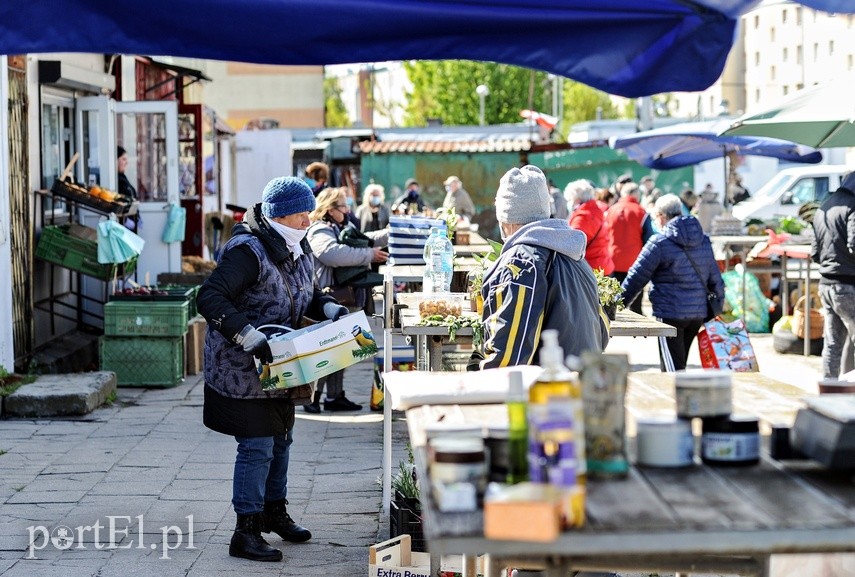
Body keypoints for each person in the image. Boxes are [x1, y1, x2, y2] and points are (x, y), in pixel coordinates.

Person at [196, 176, 347, 562]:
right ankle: (245, 531)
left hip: (281, 367)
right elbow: (210, 296)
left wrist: (328, 308)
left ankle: (273, 512)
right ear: (279, 215)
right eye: (300, 215)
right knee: (258, 446)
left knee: (282, 439)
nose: (306, 222)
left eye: (308, 214)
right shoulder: (248, 251)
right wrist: (246, 334)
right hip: (241, 367)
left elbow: (307, 292)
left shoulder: (296, 246)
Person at [477, 165, 609, 369]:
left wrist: (475, 370)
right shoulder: (576, 256)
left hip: (547, 390)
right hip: (583, 382)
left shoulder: (520, 262)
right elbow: (602, 329)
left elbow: (509, 356)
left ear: (505, 220)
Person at [306, 187, 389, 412]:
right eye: (343, 206)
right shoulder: (320, 230)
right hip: (331, 298)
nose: (347, 210)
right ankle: (313, 397)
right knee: (329, 351)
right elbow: (333, 254)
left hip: (347, 296)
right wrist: (369, 255)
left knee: (342, 351)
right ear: (330, 210)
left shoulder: (344, 226)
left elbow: (364, 239)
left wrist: (390, 233)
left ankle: (335, 396)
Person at [621, 195, 724, 371]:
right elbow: (715, 278)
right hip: (697, 313)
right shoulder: (703, 239)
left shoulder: (659, 242)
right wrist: (717, 307)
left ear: (661, 216)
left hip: (669, 314)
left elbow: (637, 277)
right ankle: (681, 396)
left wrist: (618, 304)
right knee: (679, 365)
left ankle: (676, 397)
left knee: (672, 371)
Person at [810, 171, 855, 379]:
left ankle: (830, 390)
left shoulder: (823, 207)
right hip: (847, 285)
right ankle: (849, 389)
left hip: (826, 284)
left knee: (833, 343)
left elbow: (815, 253)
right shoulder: (852, 206)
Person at [606, 182, 656, 315]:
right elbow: (649, 238)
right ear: (636, 194)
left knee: (613, 302)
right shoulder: (641, 211)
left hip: (613, 261)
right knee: (635, 304)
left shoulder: (610, 210)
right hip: (635, 262)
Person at [565, 179, 614, 275]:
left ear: (577, 199)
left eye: (570, 199)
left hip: (590, 269)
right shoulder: (595, 210)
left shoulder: (582, 217)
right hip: (604, 265)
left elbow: (572, 246)